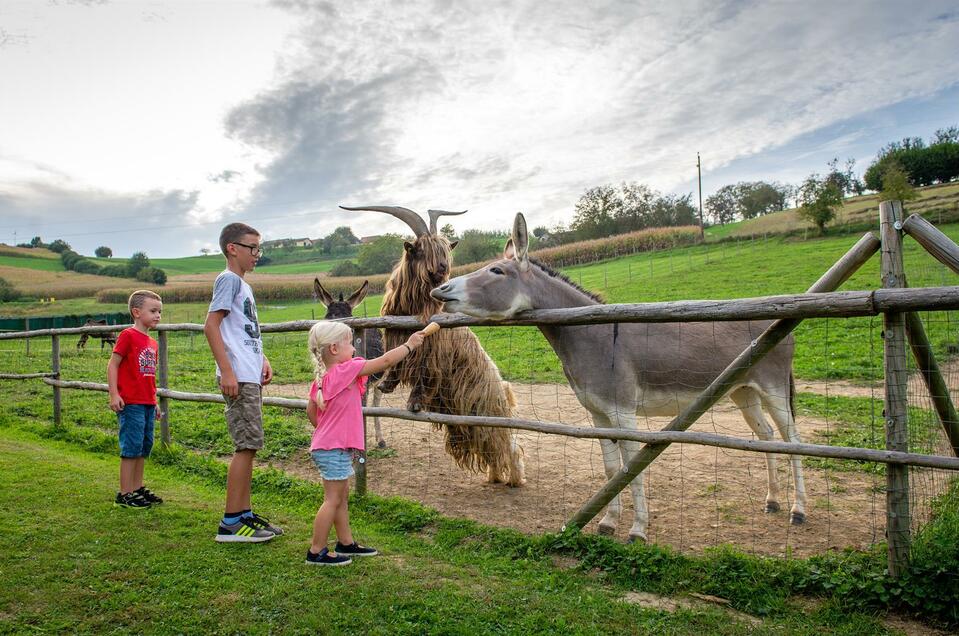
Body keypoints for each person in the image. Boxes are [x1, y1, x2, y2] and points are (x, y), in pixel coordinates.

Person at [305, 321, 426, 565]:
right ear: (334, 349)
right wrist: (409, 345)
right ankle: (316, 550)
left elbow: (311, 412)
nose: (354, 347)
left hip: (328, 446)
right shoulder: (346, 369)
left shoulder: (322, 378)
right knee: (333, 499)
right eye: (349, 342)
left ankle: (346, 543)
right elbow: (385, 362)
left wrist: (328, 431)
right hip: (333, 448)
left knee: (341, 496)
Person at [204, 222, 280, 543]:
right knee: (245, 447)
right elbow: (211, 326)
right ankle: (231, 523)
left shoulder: (243, 286)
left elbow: (243, 331)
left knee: (251, 445)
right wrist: (229, 371)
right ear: (232, 248)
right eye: (252, 248)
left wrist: (261, 359)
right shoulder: (229, 280)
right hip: (239, 378)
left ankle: (244, 514)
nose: (257, 255)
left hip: (250, 374)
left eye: (259, 249)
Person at [107, 290, 163, 509]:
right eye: (153, 311)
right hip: (130, 403)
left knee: (143, 446)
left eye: (160, 311)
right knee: (131, 447)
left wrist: (154, 400)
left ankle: (137, 489)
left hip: (147, 402)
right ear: (137, 312)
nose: (158, 315)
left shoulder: (152, 342)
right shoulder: (128, 336)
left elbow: (149, 375)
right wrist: (114, 393)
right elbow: (113, 364)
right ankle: (125, 493)